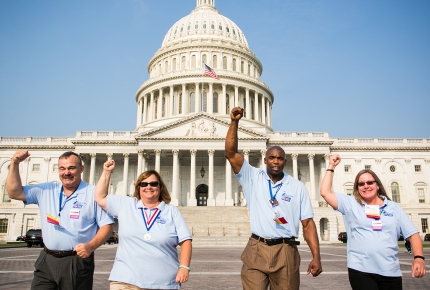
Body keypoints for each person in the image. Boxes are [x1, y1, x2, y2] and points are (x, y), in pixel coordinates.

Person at [225, 107, 322, 290]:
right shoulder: (252, 177)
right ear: (265, 160)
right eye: (272, 158)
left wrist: (316, 256)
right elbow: (230, 154)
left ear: (285, 161)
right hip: (257, 247)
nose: (275, 161)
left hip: (286, 249)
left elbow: (308, 224)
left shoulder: (297, 187)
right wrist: (234, 122)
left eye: (279, 158)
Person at [6, 150, 114, 290]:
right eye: (62, 168)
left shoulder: (94, 193)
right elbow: (14, 192)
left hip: (76, 261)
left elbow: (107, 225)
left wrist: (91, 246)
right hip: (47, 258)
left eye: (71, 168)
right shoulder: (46, 190)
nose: (66, 172)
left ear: (81, 169)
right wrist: (14, 163)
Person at [320, 154, 426, 290]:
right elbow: (325, 192)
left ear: (377, 185)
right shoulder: (351, 204)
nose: (366, 186)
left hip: (390, 270)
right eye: (361, 184)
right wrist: (331, 166)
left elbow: (413, 234)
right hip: (361, 269)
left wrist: (419, 258)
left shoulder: (393, 207)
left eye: (370, 182)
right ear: (357, 187)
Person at [94, 160, 192, 289]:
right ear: (138, 187)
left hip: (163, 282)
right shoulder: (126, 205)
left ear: (160, 187)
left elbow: (186, 241)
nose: (148, 187)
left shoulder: (171, 211)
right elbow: (99, 197)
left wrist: (184, 267)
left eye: (153, 184)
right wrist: (107, 172)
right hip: (125, 280)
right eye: (144, 184)